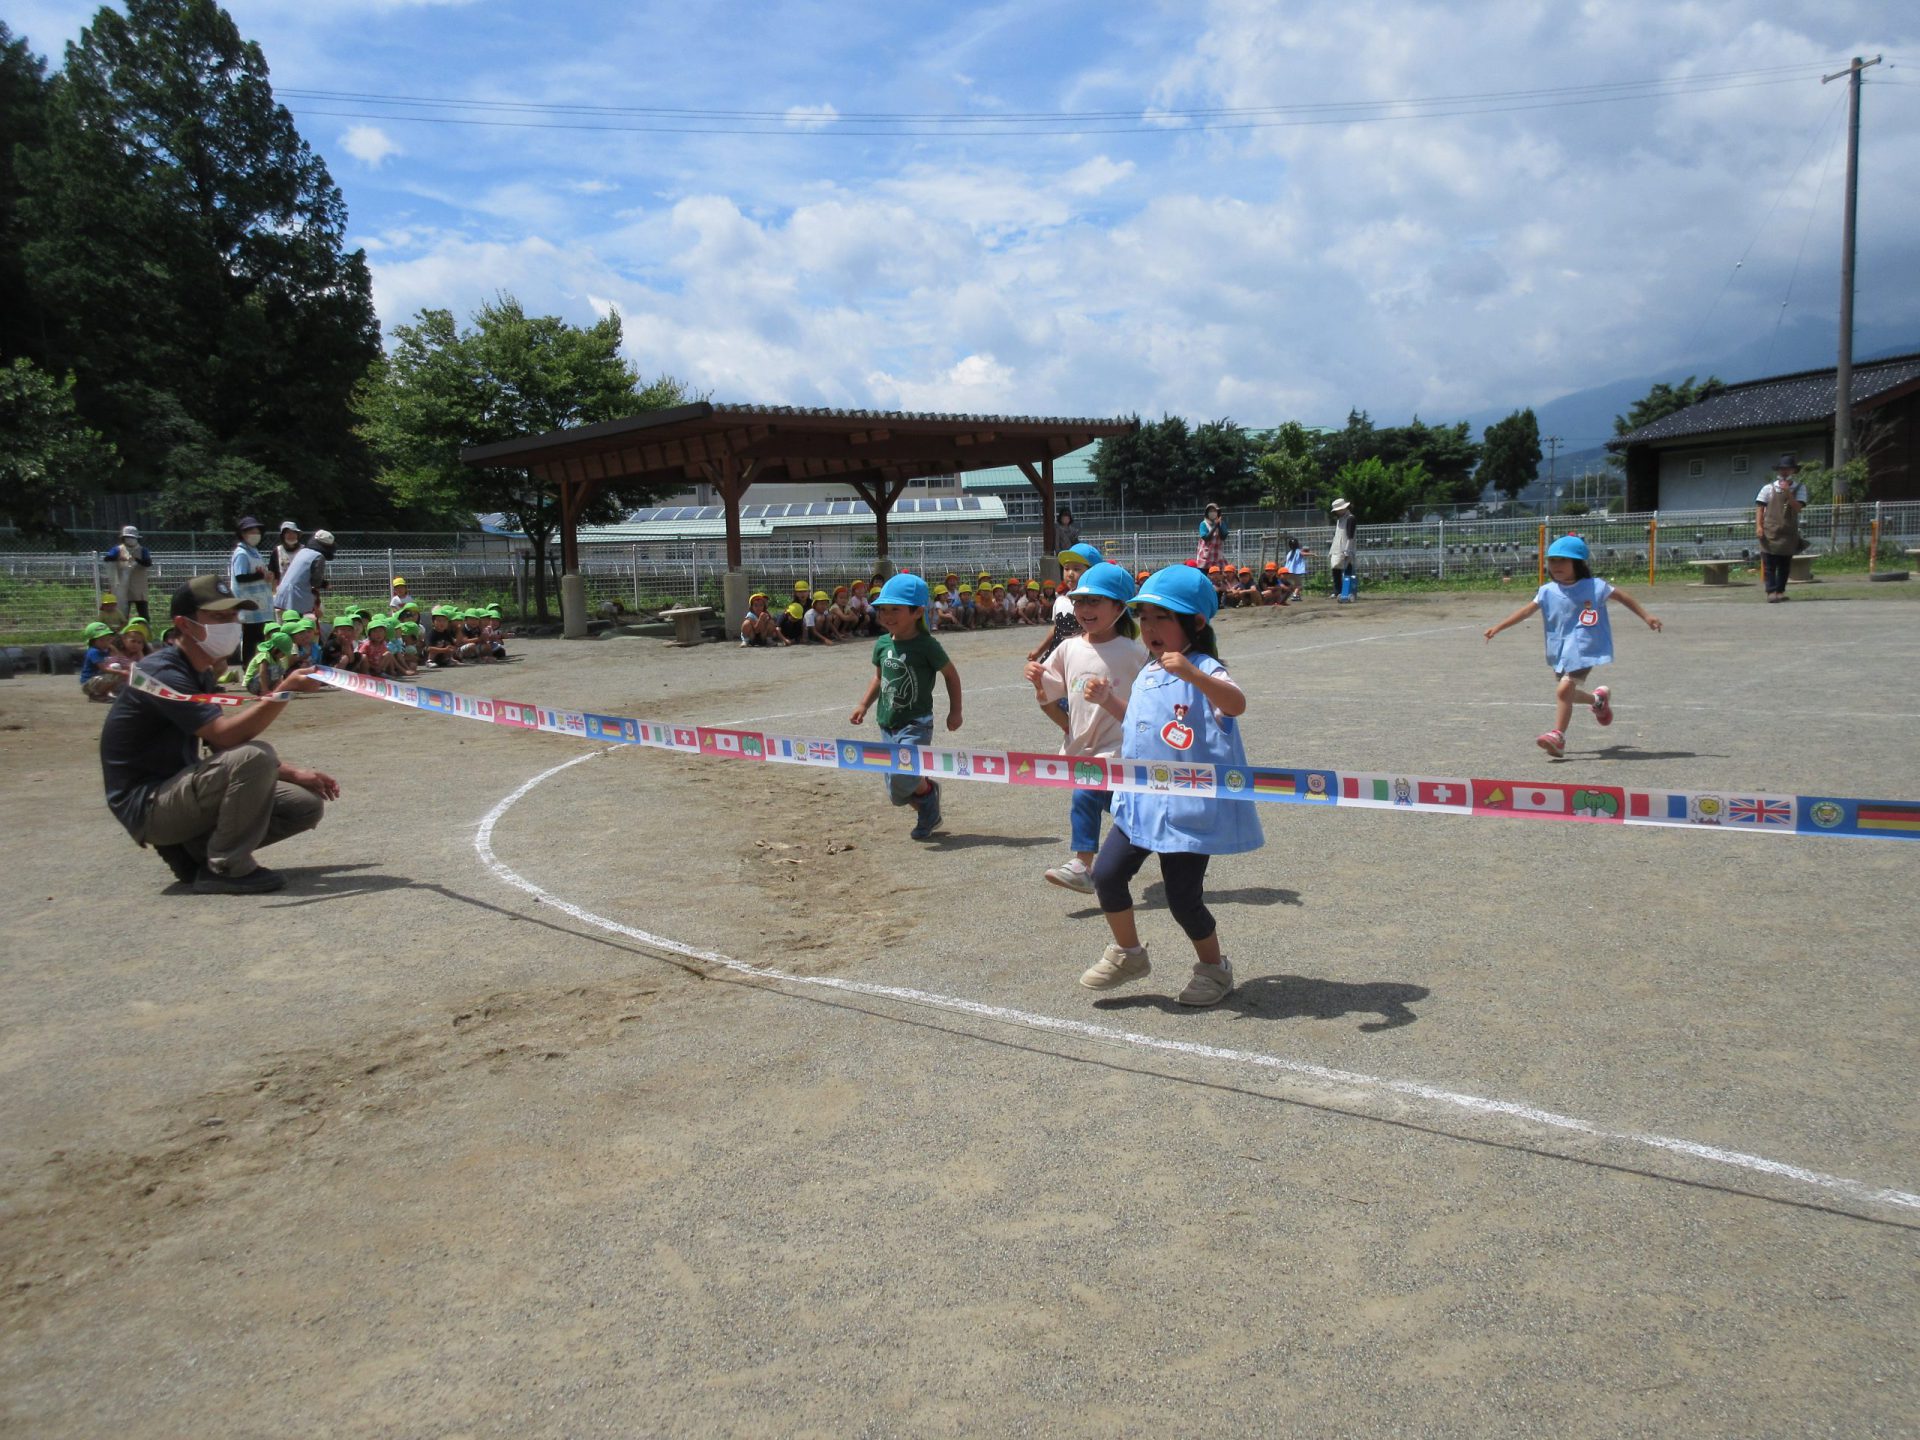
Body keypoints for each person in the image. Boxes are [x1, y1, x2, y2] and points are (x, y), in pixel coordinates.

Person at [1077, 565, 1262, 1007]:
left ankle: (1214, 969)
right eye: (1144, 618)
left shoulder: (1205, 667)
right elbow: (1140, 724)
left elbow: (1236, 703)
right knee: (1106, 874)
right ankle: (1129, 954)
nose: (1151, 628)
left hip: (1186, 808)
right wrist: (1109, 700)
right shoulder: (1149, 670)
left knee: (1182, 899)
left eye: (1163, 618)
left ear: (1195, 623)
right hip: (1140, 803)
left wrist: (1195, 675)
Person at [98, 574, 337, 894]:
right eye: (219, 617)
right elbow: (225, 738)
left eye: (234, 616)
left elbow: (218, 744)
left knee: (303, 804)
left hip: (177, 790)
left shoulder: (199, 671)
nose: (231, 625)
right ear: (184, 624)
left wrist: (295, 774)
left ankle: (193, 852)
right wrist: (285, 690)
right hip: (148, 805)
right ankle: (226, 866)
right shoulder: (163, 672)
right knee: (256, 755)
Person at [1026, 562, 1147, 895]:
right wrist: (1038, 681)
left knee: (1086, 794)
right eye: (1079, 601)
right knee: (1121, 809)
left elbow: (1151, 704)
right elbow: (1050, 695)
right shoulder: (1068, 648)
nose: (1084, 609)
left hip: (1120, 751)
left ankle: (1082, 865)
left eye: (1095, 601)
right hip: (1085, 749)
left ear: (1119, 607)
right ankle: (1128, 854)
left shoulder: (1135, 653)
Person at [1483, 534, 1664, 758]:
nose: (1556, 565)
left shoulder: (1595, 586)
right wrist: (1499, 627)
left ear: (1577, 563)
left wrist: (1646, 616)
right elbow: (1526, 611)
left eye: (1563, 560)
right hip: (1560, 649)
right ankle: (1598, 701)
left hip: (1585, 648)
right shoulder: (1547, 591)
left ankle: (1558, 736)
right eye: (1552, 560)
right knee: (1567, 692)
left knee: (1563, 689)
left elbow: (1623, 597)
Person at [849, 573, 961, 841]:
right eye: (882, 609)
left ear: (917, 612)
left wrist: (955, 711)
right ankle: (927, 799)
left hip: (916, 724)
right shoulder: (882, 644)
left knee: (902, 776)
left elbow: (951, 675)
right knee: (896, 793)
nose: (886, 616)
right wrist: (864, 704)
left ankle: (926, 796)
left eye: (895, 609)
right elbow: (880, 678)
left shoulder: (927, 645)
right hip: (887, 724)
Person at [1030, 543, 1102, 664]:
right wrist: (1039, 650)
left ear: (1092, 572)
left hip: (1081, 657)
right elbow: (1055, 629)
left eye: (1076, 569)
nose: (1070, 574)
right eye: (1067, 568)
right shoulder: (1060, 600)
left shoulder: (1097, 604)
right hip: (1057, 654)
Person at [1756, 455, 1809, 603]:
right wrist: (1759, 526)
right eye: (1782, 469)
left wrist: (1788, 493)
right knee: (1769, 564)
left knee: (1784, 564)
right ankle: (1771, 591)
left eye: (1788, 469)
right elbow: (1760, 508)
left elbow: (1798, 508)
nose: (1784, 471)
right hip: (1770, 531)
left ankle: (1780, 591)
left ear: (1793, 471)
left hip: (1788, 532)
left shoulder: (1800, 488)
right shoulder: (1768, 488)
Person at [228, 516, 275, 667]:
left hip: (259, 602)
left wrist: (266, 576)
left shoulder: (253, 551)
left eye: (257, 531)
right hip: (249, 602)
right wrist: (260, 576)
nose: (255, 534)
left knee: (258, 636)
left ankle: (258, 666)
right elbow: (240, 576)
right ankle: (249, 666)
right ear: (242, 534)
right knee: (251, 637)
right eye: (251, 531)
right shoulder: (242, 553)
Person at [272, 529, 334, 630]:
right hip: (297, 597)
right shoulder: (318, 557)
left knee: (285, 627)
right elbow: (316, 582)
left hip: (282, 594)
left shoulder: (303, 551)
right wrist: (325, 584)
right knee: (300, 629)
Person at [101, 525, 153, 622]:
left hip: (139, 586)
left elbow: (148, 563)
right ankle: (123, 629)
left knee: (143, 613)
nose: (130, 540)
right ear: (123, 538)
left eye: (132, 538)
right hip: (123, 587)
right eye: (127, 537)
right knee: (123, 613)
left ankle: (145, 628)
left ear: (137, 538)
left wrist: (136, 560)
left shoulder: (142, 550)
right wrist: (118, 558)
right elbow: (108, 558)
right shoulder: (118, 549)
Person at [79, 621, 124, 702]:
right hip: (88, 683)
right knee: (116, 670)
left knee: (116, 666)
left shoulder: (105, 650)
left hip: (98, 680)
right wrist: (122, 672)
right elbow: (104, 669)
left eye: (107, 639)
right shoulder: (93, 652)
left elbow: (120, 658)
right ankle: (96, 696)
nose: (105, 642)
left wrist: (113, 648)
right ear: (93, 641)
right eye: (101, 640)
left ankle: (105, 693)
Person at [1327, 500, 1357, 601]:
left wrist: (1347, 550)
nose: (1337, 512)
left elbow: (1350, 536)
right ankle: (1338, 591)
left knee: (1348, 568)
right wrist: (1331, 550)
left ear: (1344, 508)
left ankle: (1347, 591)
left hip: (1346, 548)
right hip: (1337, 548)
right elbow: (1337, 535)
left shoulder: (1350, 518)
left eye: (1338, 509)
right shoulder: (1339, 519)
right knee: (1335, 568)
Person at [269, 520, 303, 588]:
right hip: (282, 589)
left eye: (294, 532)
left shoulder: (304, 550)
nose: (291, 535)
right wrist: (273, 590)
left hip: (301, 588)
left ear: (297, 535)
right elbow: (273, 573)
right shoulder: (277, 551)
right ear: (283, 536)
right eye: (288, 532)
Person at [1195, 502, 1227, 572]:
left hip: (1217, 556)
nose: (1212, 513)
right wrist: (1215, 527)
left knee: (1218, 575)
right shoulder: (1203, 524)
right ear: (1207, 513)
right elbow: (1206, 538)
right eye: (1210, 511)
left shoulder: (1222, 524)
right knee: (1204, 575)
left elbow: (1223, 536)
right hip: (1205, 558)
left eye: (1214, 511)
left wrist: (1218, 525)